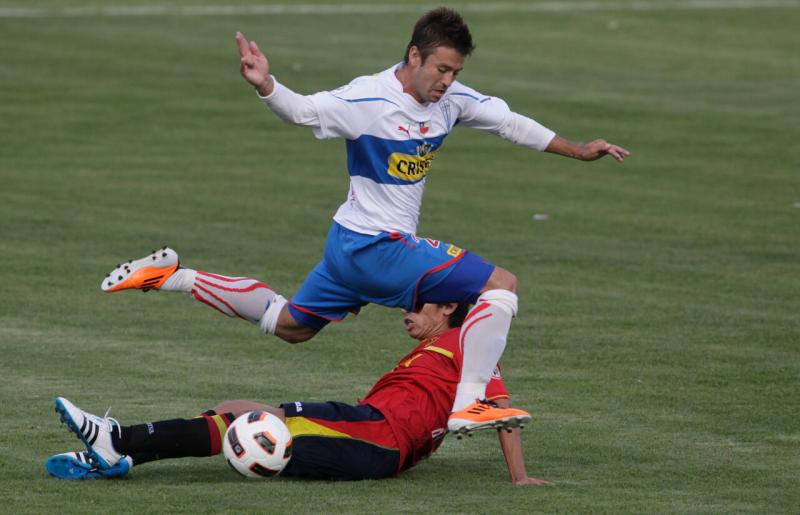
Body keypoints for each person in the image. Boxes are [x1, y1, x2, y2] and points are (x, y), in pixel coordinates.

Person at [102, 7, 628, 444]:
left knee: (290, 326)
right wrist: (267, 85)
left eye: (456, 73)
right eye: (441, 69)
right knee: (502, 287)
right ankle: (470, 403)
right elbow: (306, 112)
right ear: (414, 55)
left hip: (346, 247)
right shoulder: (367, 101)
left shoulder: (451, 103)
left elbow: (510, 122)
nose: (447, 82)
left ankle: (173, 276)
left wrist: (577, 150)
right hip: (379, 247)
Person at [47, 303, 552, 485]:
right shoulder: (440, 347)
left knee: (250, 426)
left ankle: (118, 440)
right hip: (367, 429)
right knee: (234, 408)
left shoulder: (468, 343)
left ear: (447, 309)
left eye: (417, 305)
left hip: (377, 436)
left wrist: (520, 477)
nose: (406, 311)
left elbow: (501, 408)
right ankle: (118, 455)